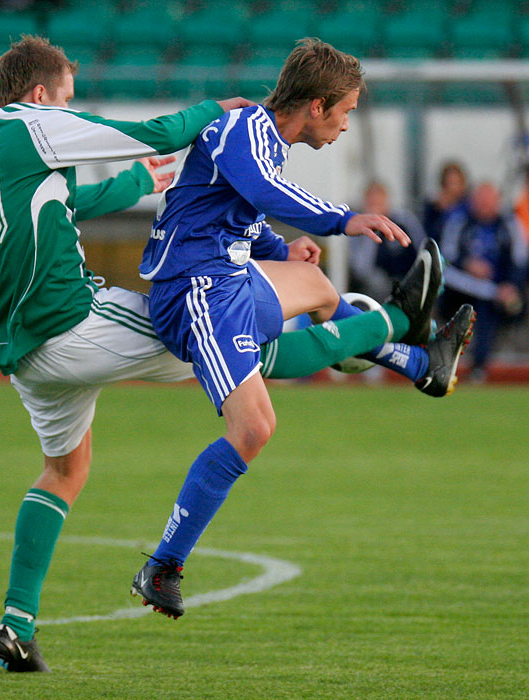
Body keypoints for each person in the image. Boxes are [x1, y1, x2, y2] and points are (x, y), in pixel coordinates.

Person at [0, 36, 470, 673]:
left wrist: (147, 185)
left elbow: (71, 202)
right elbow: (151, 130)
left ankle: (15, 628)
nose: (69, 110)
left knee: (65, 472)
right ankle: (398, 326)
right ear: (38, 98)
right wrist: (209, 113)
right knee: (244, 367)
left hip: (21, 350)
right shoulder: (34, 125)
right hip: (79, 319)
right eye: (66, 99)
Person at [131, 38, 474, 620]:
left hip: (228, 278)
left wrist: (279, 246)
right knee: (256, 428)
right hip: (195, 292)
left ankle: (424, 365)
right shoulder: (244, 127)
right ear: (316, 105)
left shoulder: (265, 141)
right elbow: (261, 191)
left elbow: (245, 209)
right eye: (345, 111)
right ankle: (164, 567)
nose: (345, 125)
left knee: (316, 287)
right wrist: (343, 217)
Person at [440, 181, 527, 380]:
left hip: (503, 294)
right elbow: (446, 260)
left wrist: (511, 286)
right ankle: (468, 366)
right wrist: (468, 264)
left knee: (491, 306)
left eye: (490, 201)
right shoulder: (459, 221)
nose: (485, 205)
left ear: (498, 202)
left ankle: (478, 368)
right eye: (481, 200)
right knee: (480, 303)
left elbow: (520, 261)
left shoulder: (509, 224)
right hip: (460, 292)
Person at [349, 180, 427, 302]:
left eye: (379, 200)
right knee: (375, 284)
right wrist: (371, 227)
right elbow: (361, 268)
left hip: (407, 278)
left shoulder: (403, 220)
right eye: (371, 201)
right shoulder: (358, 226)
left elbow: (422, 247)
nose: (375, 204)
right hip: (380, 285)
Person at [422, 161, 469, 244]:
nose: (453, 189)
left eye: (456, 183)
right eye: (450, 183)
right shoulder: (434, 208)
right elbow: (428, 235)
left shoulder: (469, 208)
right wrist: (438, 211)